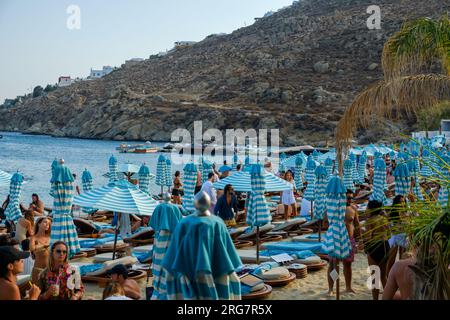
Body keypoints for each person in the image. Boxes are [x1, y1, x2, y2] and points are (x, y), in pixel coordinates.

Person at [327, 189, 361, 295]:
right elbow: (326, 222)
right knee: (333, 265)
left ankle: (348, 287)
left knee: (347, 264)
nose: (350, 200)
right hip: (336, 239)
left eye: (351, 197)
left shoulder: (353, 209)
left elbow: (357, 225)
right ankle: (331, 288)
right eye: (348, 197)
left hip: (349, 240)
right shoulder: (335, 209)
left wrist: (359, 240)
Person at [363, 200, 391, 300]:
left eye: (367, 207)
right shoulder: (384, 219)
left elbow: (368, 237)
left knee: (375, 276)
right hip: (385, 245)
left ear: (371, 209)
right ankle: (389, 297)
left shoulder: (369, 221)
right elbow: (389, 234)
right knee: (383, 276)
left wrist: (364, 247)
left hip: (374, 247)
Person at [387, 195, 409, 275]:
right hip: (394, 237)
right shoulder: (392, 213)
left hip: (404, 237)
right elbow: (387, 225)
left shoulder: (407, 213)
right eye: (400, 201)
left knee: (402, 259)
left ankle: (400, 277)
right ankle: (388, 276)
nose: (402, 203)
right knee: (391, 259)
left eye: (403, 201)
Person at [30, 217, 51, 283]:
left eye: (49, 224)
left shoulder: (51, 237)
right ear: (39, 224)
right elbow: (32, 248)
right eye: (45, 222)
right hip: (38, 270)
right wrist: (43, 246)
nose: (47, 225)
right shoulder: (33, 238)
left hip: (49, 270)